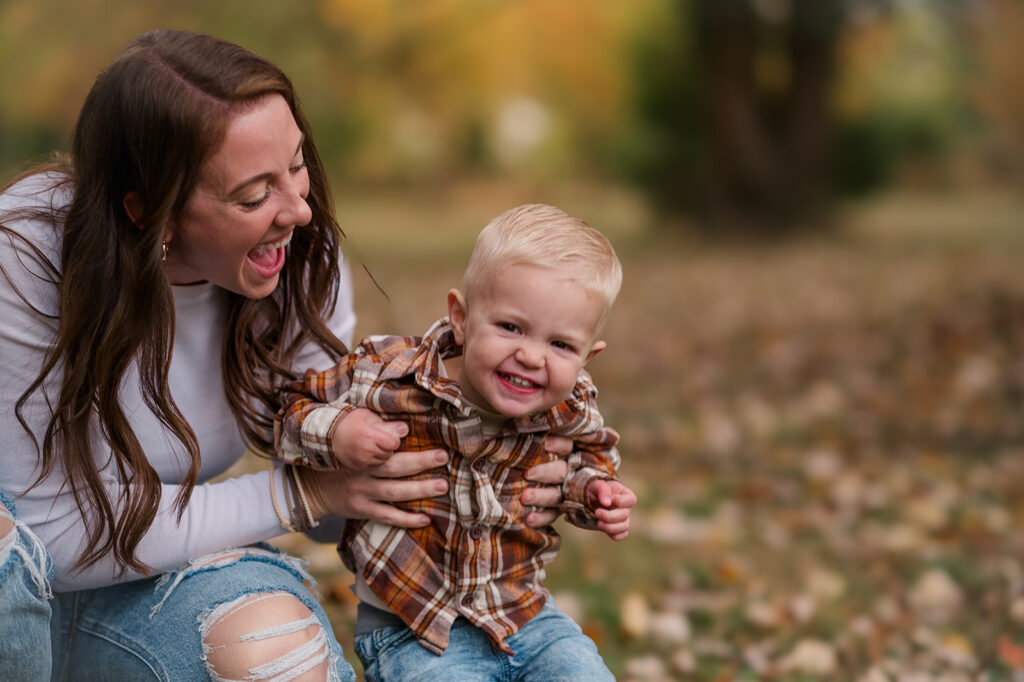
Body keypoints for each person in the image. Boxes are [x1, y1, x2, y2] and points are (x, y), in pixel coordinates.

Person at [0, 30, 569, 681]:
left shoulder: (296, 260)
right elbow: (43, 537)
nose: (299, 209)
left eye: (296, 164)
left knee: (276, 653)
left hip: (136, 580)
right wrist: (298, 494)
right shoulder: (26, 253)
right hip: (14, 592)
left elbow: (337, 507)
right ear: (148, 213)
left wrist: (479, 458)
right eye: (253, 195)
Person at [275, 203, 637, 681]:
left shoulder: (569, 405)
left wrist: (595, 493)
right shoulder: (385, 375)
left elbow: (588, 459)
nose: (530, 356)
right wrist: (338, 432)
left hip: (525, 615)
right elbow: (289, 414)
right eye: (511, 327)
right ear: (461, 318)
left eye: (561, 345)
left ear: (587, 357)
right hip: (412, 624)